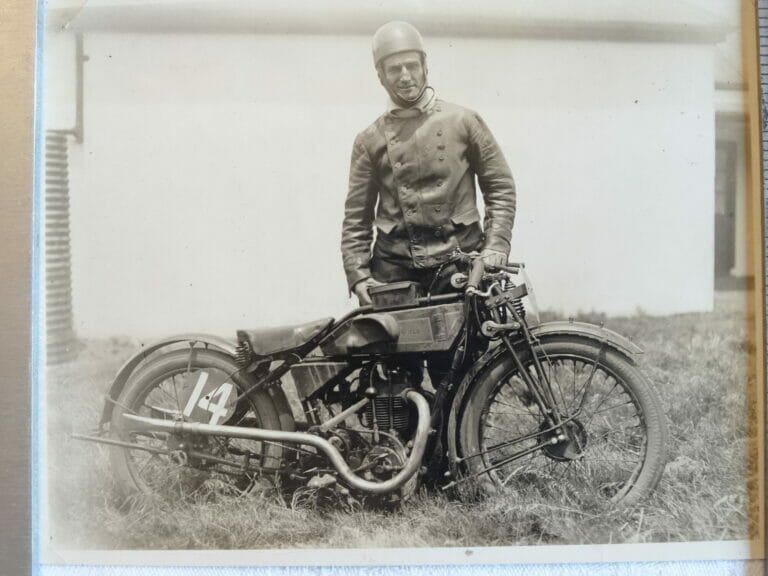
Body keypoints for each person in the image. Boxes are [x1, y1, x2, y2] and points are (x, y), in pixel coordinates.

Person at [341, 20, 517, 306]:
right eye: (394, 69)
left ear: (425, 66)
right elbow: (356, 219)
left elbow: (500, 187)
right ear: (381, 76)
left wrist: (496, 244)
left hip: (459, 265)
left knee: (480, 348)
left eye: (412, 65)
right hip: (394, 274)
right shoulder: (368, 139)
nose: (405, 76)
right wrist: (358, 274)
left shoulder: (464, 121)